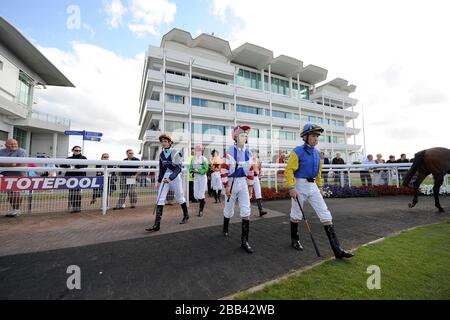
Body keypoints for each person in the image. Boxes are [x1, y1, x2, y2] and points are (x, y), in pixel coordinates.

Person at [285, 124, 353, 259]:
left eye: (317, 136)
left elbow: (319, 173)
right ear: (305, 137)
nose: (315, 138)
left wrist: (320, 187)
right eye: (313, 135)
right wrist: (292, 188)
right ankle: (295, 239)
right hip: (299, 185)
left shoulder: (317, 153)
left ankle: (337, 250)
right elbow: (289, 170)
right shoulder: (297, 151)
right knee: (296, 214)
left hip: (313, 187)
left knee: (326, 214)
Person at [221, 125, 255, 254]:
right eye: (242, 135)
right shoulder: (229, 152)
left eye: (246, 136)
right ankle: (225, 227)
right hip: (231, 182)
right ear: (235, 137)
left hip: (242, 183)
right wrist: (226, 186)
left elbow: (251, 170)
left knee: (246, 211)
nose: (244, 138)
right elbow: (223, 170)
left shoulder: (249, 152)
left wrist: (250, 186)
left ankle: (244, 241)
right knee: (229, 209)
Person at [146, 133, 189, 232]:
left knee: (179, 198)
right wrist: (159, 181)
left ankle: (186, 215)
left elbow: (178, 168)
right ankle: (157, 225)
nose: (163, 143)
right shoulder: (161, 154)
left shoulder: (176, 152)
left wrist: (171, 178)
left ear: (170, 142)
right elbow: (161, 169)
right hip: (165, 177)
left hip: (175, 176)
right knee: (160, 199)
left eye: (165, 141)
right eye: (162, 142)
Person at [0, 139, 27, 217]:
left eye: (15, 144)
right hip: (5, 175)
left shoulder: (22, 151)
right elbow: (13, 164)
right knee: (10, 194)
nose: (14, 145)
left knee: (16, 193)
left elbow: (19, 163)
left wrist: (4, 164)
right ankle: (14, 210)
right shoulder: (1, 151)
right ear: (6, 145)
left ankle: (17, 210)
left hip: (18, 176)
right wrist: (10, 164)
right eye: (11, 144)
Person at [61, 146, 88, 213]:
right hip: (70, 178)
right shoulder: (69, 158)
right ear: (73, 151)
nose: (78, 152)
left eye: (79, 150)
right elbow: (62, 165)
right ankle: (74, 207)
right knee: (71, 193)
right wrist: (69, 165)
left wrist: (74, 165)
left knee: (77, 193)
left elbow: (85, 165)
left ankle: (78, 207)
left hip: (79, 177)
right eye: (76, 150)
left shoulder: (83, 158)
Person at [189, 144, 209, 217]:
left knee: (201, 194)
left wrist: (198, 171)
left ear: (201, 151)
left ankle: (201, 211)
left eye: (199, 150)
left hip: (202, 177)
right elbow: (190, 168)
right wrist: (192, 171)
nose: (197, 151)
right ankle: (203, 202)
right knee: (196, 195)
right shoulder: (193, 159)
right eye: (196, 150)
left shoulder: (204, 159)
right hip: (196, 178)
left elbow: (205, 169)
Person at [251, 149, 268, 217]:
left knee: (258, 194)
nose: (254, 154)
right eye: (253, 153)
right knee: (248, 194)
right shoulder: (249, 160)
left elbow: (259, 170)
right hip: (249, 178)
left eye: (255, 153)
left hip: (256, 178)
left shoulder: (258, 161)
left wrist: (259, 178)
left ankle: (261, 211)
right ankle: (246, 210)